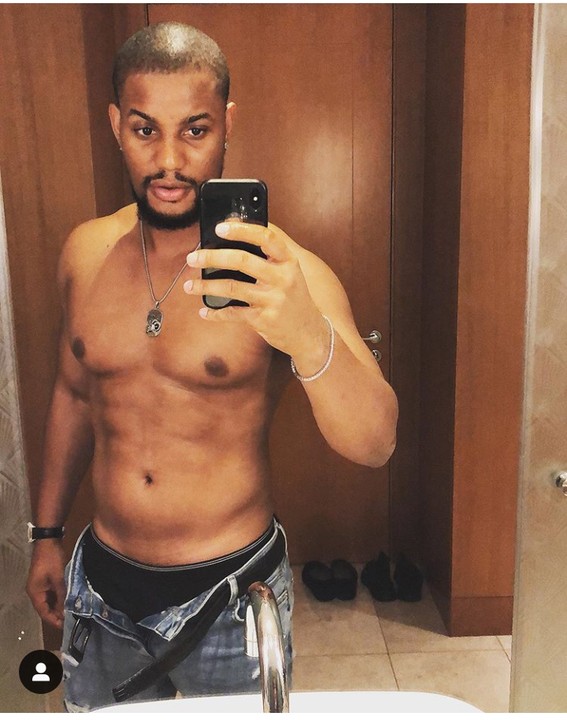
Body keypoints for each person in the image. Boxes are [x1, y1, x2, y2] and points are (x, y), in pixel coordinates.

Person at [25, 22, 398, 712]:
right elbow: (74, 393)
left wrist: (306, 335)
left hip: (230, 598)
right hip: (101, 590)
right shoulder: (84, 253)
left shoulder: (283, 273)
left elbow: (376, 442)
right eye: (145, 130)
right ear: (115, 125)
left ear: (227, 123)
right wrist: (46, 536)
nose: (169, 161)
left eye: (194, 131)